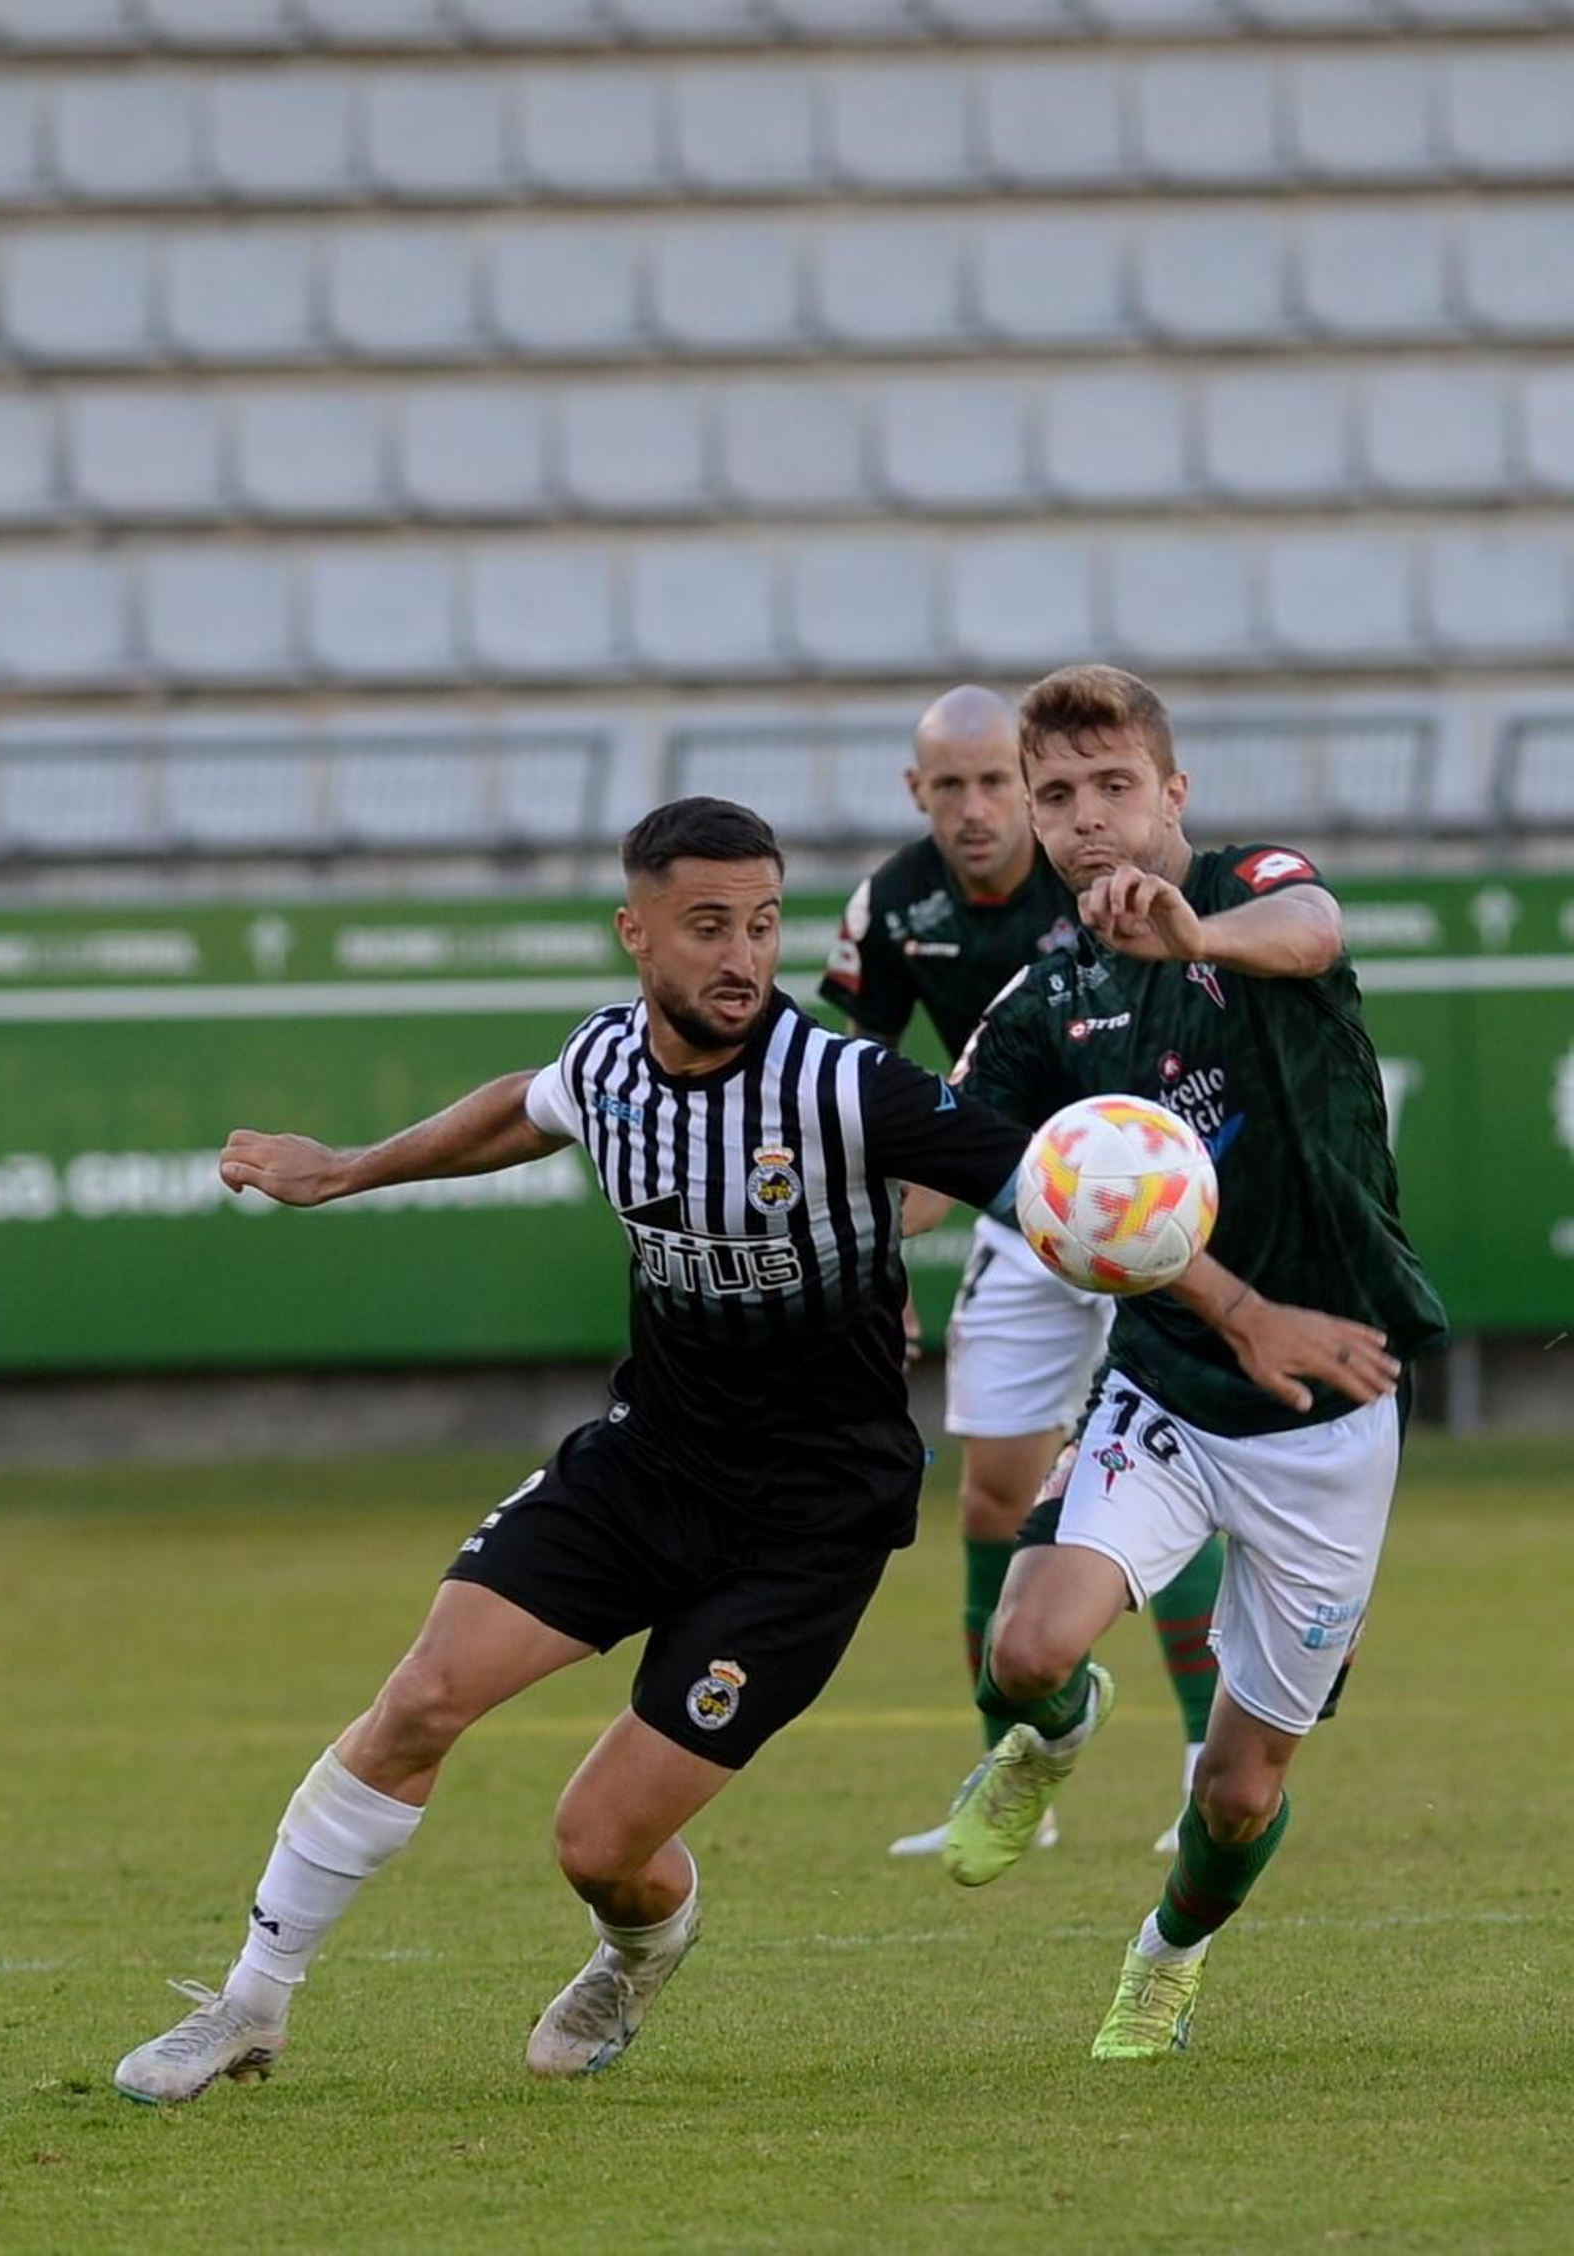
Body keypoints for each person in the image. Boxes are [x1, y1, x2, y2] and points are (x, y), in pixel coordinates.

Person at [112, 796, 1041, 2105]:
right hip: (646, 1464)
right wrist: (343, 1170)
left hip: (810, 1521)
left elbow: (1038, 1183)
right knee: (423, 1696)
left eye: (763, 926)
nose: (742, 957)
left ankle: (641, 1942)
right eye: (707, 926)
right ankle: (249, 2008)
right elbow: (524, 1107)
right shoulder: (610, 1066)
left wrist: (1226, 1299)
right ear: (635, 933)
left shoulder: (841, 1083)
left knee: (598, 1842)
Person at [923, 665, 1448, 2061]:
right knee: (1025, 1647)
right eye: (1059, 798)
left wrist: (1196, 928)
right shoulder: (1047, 998)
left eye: (1114, 788)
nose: (1088, 820)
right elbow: (962, 1148)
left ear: (1173, 792)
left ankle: (1165, 1958)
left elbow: (1314, 926)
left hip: (1336, 1412)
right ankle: (1057, 1725)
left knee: (1235, 1791)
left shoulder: (1248, 886)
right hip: (1165, 1382)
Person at [818, 684, 1223, 1860]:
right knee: (994, 1491)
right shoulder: (894, 904)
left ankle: (1205, 1754)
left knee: (1164, 1475)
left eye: (1000, 780)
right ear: (917, 793)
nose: (980, 806)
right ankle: (1016, 1761)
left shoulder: (1104, 864)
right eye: (951, 785)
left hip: (1150, 1210)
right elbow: (861, 1087)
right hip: (1017, 1206)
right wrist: (868, 1250)